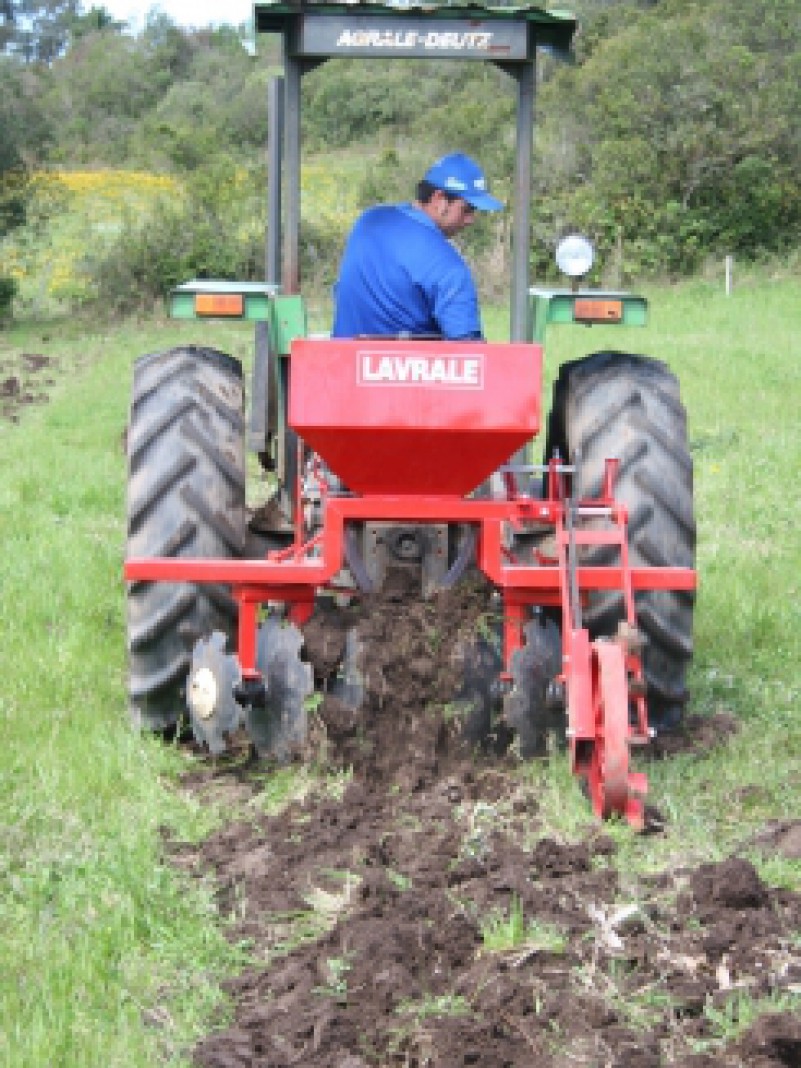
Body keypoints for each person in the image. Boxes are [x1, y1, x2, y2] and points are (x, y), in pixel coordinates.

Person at [332, 152, 503, 341]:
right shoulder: (448, 267)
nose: (471, 220)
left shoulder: (369, 220)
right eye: (467, 209)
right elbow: (468, 349)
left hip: (340, 363)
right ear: (439, 200)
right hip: (404, 369)